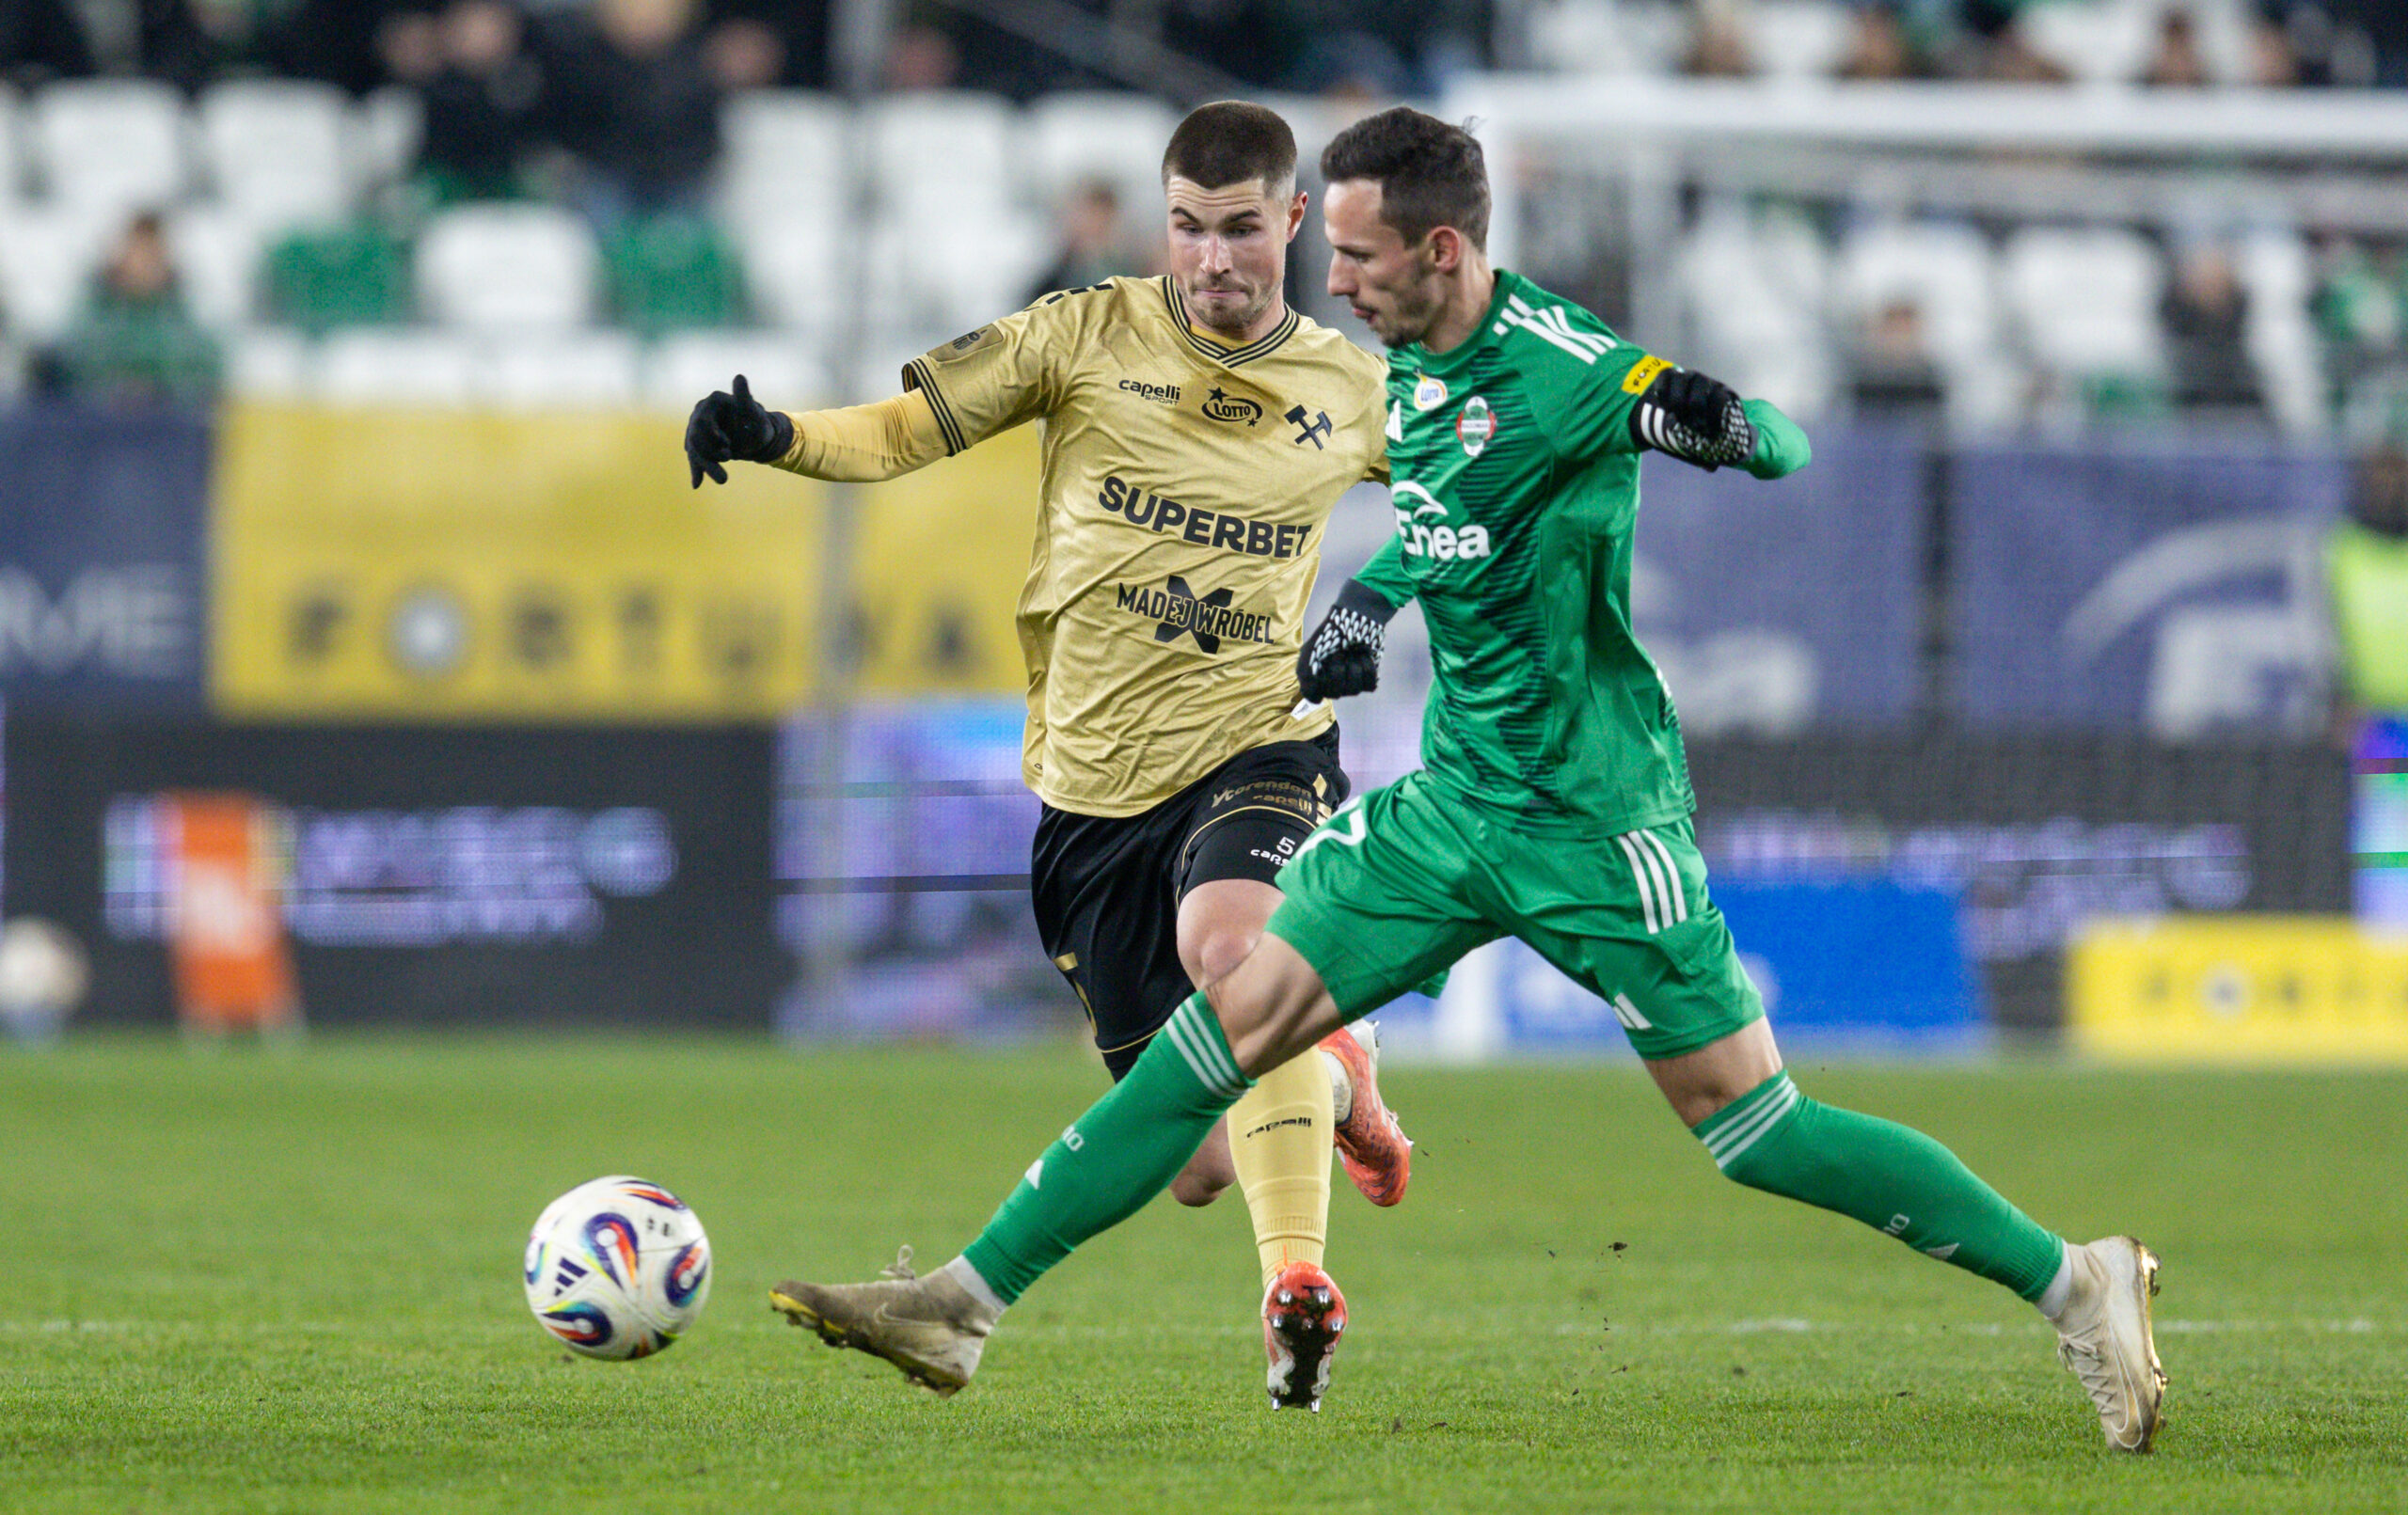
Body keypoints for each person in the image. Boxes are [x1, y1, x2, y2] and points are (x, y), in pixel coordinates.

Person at [768, 104, 2171, 1457]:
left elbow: (1777, 445)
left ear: (1440, 252)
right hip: (1451, 808)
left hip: (1593, 819)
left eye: (1360, 257)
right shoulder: (1409, 366)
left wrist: (1717, 419)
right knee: (1233, 1018)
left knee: (1756, 1131)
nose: (1337, 282)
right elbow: (1456, 521)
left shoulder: (1565, 366)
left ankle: (2075, 1279)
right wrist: (1374, 603)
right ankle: (963, 1307)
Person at [684, 102, 1415, 1412]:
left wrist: (1387, 597)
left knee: (1236, 958)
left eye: (1242, 228)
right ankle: (1338, 1071)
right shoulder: (1083, 333)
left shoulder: (1355, 390)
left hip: (1259, 741)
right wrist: (777, 435)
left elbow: (1480, 497)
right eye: (1188, 229)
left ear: (1293, 222)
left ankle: (1295, 1287)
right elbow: (906, 431)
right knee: (1188, 1157)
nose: (1213, 261)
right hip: (1089, 795)